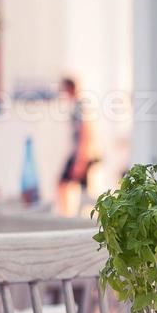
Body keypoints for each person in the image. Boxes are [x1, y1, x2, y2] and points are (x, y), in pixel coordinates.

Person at [56, 76, 95, 215]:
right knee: (83, 191)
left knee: (62, 183)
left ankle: (64, 215)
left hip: (80, 153)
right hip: (80, 152)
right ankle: (70, 214)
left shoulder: (79, 106)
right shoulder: (76, 105)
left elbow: (85, 132)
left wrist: (81, 159)